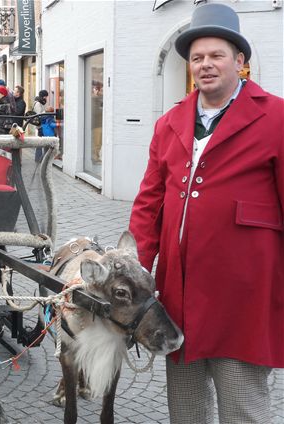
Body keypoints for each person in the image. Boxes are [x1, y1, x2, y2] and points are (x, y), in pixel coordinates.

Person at [129, 4, 283, 424]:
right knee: (186, 409)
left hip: (244, 292)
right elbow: (149, 201)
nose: (205, 65)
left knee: (243, 408)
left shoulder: (276, 117)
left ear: (240, 62)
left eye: (216, 55)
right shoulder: (170, 122)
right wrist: (134, 268)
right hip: (177, 291)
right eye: (197, 58)